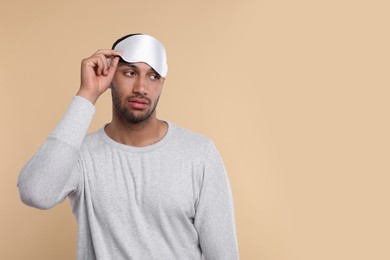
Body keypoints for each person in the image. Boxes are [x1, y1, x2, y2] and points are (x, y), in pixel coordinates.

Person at [17, 33, 239, 259]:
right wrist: (87, 95)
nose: (141, 88)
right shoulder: (81, 155)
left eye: (153, 76)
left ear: (162, 83)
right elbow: (35, 193)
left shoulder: (199, 154)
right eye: (130, 73)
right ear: (111, 76)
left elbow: (224, 254)